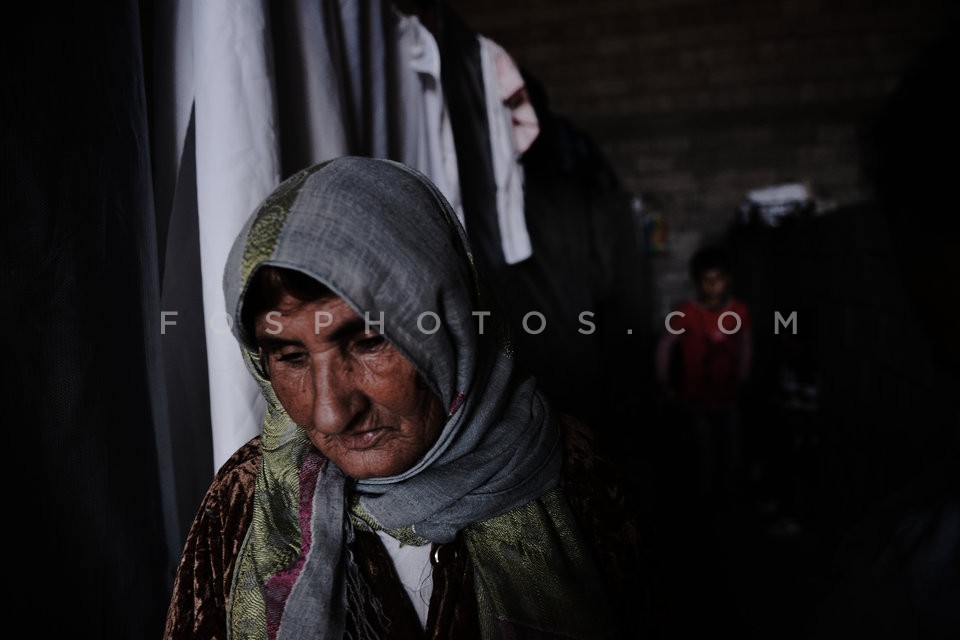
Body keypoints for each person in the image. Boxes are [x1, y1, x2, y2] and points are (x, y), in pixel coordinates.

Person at [163, 156, 650, 639]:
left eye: (370, 341)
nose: (331, 414)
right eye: (290, 357)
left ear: (453, 323)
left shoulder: (578, 471)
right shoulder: (243, 502)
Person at [654, 245, 752, 504]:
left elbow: (745, 345)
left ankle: (732, 502)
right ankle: (706, 505)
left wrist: (743, 378)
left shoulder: (739, 311)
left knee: (732, 454)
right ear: (697, 281)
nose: (712, 286)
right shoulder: (685, 312)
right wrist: (665, 383)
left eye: (717, 279)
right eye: (706, 280)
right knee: (703, 455)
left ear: (727, 278)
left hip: (729, 396)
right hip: (695, 397)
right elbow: (665, 346)